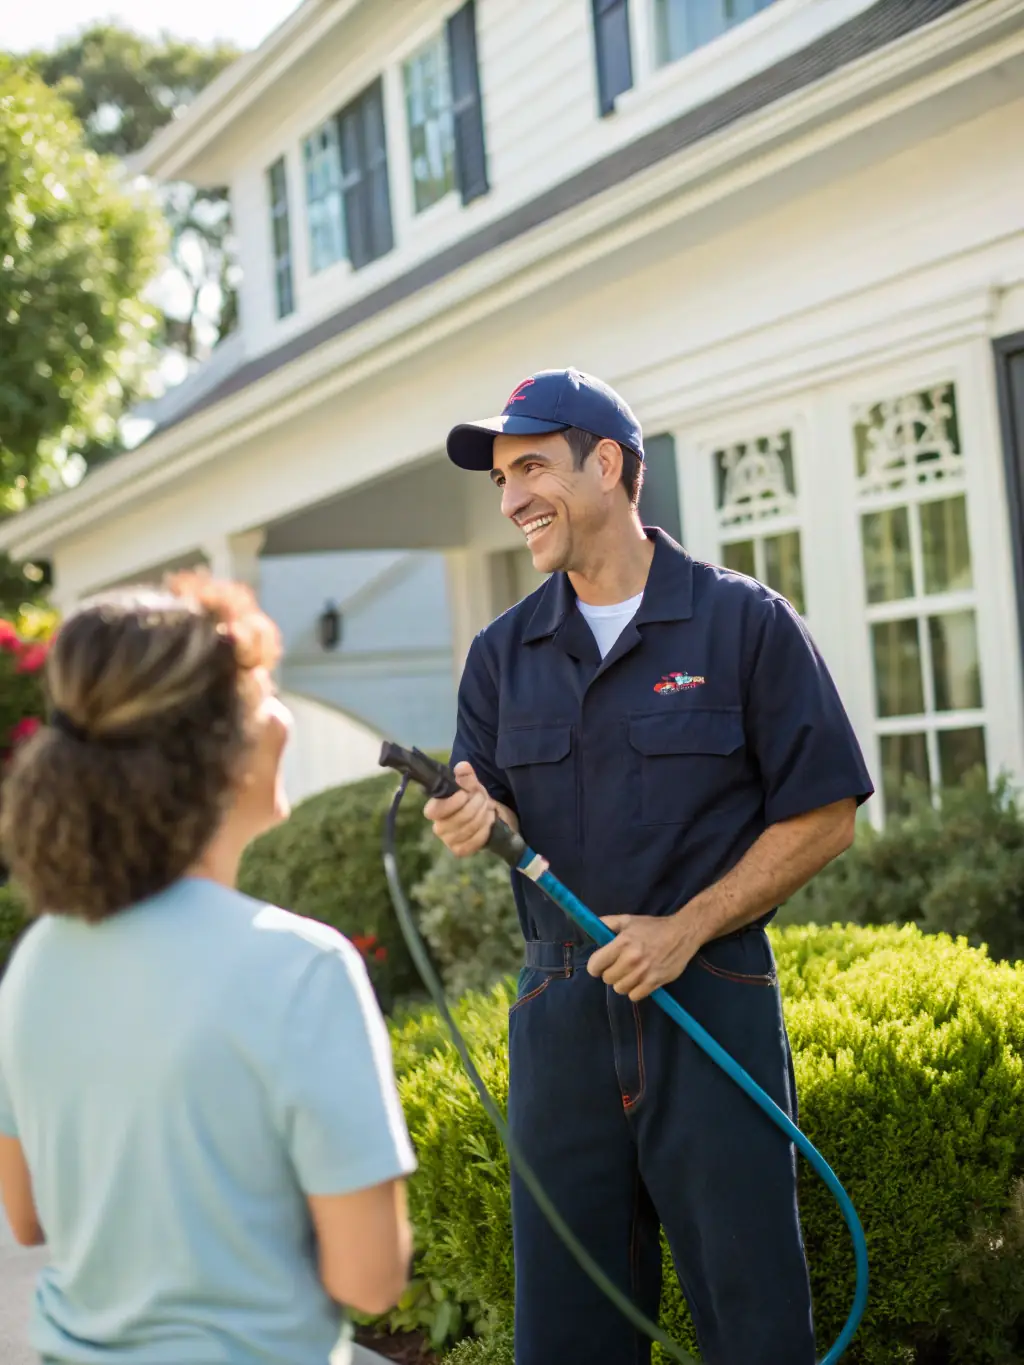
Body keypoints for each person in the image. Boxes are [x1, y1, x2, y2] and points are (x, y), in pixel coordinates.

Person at [425, 368, 874, 1365]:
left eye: (532, 467)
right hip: (559, 1016)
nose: (511, 501)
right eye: (500, 479)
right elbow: (488, 795)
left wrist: (685, 930)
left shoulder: (744, 624)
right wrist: (472, 816)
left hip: (706, 1001)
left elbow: (825, 814)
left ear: (611, 464)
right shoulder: (501, 656)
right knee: (568, 1327)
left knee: (753, 1319)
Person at [0, 574, 415, 1365]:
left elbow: (26, 1216)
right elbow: (369, 1279)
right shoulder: (302, 967)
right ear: (221, 755)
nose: (284, 714)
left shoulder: (38, 958)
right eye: (262, 691)